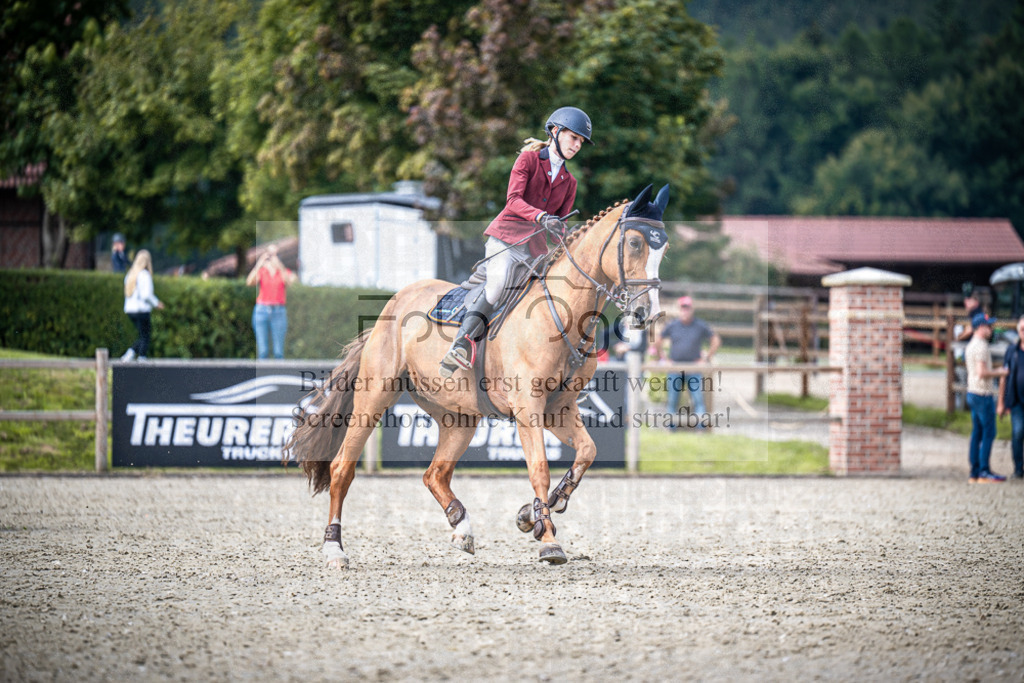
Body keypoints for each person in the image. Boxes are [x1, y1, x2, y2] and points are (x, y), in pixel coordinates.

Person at [439, 106, 593, 377]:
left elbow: (560, 224)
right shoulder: (528, 160)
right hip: (506, 240)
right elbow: (513, 201)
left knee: (552, 296)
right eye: (574, 138)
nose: (577, 145)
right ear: (555, 132)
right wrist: (542, 217)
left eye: (581, 142)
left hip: (535, 251)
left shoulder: (570, 182)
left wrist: (566, 235)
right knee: (498, 285)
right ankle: (461, 344)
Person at [656, 295, 721, 428]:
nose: (685, 311)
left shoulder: (700, 325)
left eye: (687, 308)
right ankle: (671, 429)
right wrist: (663, 358)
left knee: (698, 400)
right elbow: (658, 340)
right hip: (675, 367)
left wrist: (706, 357)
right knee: (672, 401)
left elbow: (715, 340)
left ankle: (701, 429)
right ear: (679, 310)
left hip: (693, 367)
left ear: (692, 310)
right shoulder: (672, 325)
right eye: (683, 308)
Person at [965, 312, 1008, 483]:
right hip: (982, 393)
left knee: (977, 432)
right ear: (981, 327)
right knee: (989, 432)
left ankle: (974, 471)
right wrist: (999, 372)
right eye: (989, 325)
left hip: (972, 392)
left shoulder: (970, 345)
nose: (991, 328)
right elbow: (982, 372)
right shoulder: (981, 346)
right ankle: (984, 470)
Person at [246, 244, 297, 360]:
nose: (272, 257)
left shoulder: (284, 272)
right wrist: (259, 264)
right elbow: (249, 282)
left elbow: (289, 282)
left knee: (278, 352)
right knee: (263, 351)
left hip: (278, 311)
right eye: (270, 254)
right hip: (261, 310)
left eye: (276, 254)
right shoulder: (262, 271)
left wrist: (279, 266)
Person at [121, 250, 163, 361]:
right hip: (141, 310)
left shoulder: (130, 275)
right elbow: (146, 295)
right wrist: (156, 303)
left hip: (130, 310)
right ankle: (140, 356)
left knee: (142, 334)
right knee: (146, 335)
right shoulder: (144, 275)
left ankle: (132, 353)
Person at [996, 314, 1024, 480]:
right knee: (1018, 432)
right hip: (1017, 401)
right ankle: (1018, 467)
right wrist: (1001, 402)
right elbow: (1003, 377)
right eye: (1022, 329)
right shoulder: (1012, 351)